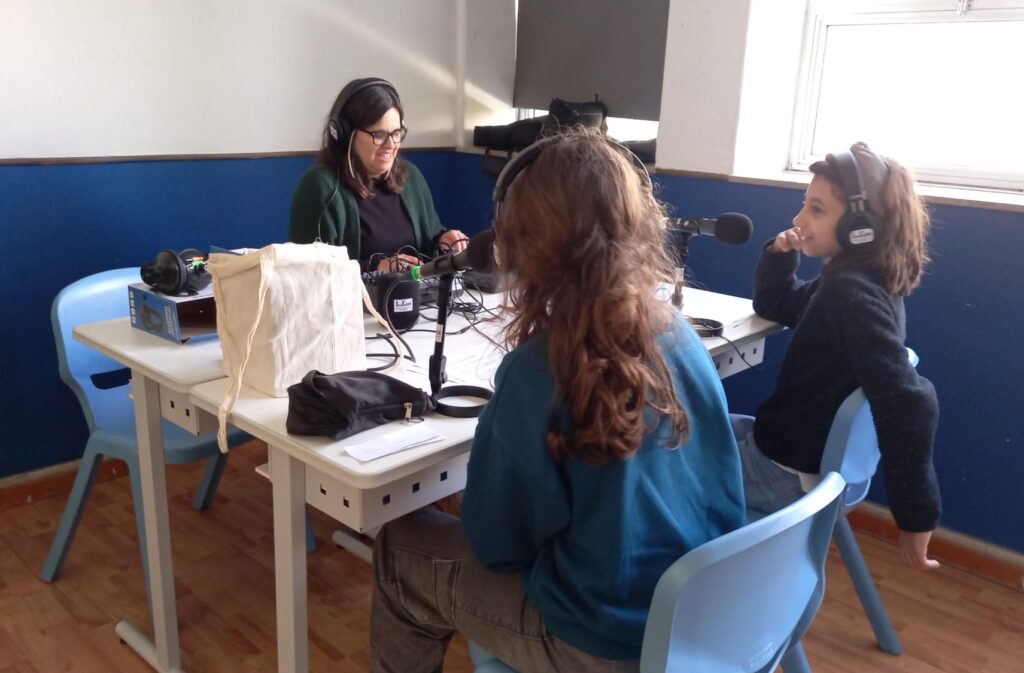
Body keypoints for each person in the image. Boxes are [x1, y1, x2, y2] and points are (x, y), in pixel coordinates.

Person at [369, 130, 746, 672]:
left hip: (600, 642)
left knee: (398, 549)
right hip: (699, 623)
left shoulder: (535, 373)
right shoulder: (682, 337)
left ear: (522, 244)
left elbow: (498, 549)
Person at [740, 141, 940, 569]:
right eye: (804, 204)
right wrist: (779, 257)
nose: (799, 219)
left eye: (816, 209)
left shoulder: (849, 293)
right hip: (800, 460)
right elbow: (777, 305)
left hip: (784, 474)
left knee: (660, 455)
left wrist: (916, 517)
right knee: (699, 426)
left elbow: (908, 401)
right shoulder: (854, 281)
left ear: (860, 225)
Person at [288, 77, 467, 272]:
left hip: (419, 293)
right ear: (346, 134)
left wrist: (443, 242)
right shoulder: (321, 187)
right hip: (357, 294)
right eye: (379, 135)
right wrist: (376, 268)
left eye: (396, 133)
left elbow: (428, 244)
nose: (391, 145)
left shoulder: (411, 178)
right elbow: (310, 273)